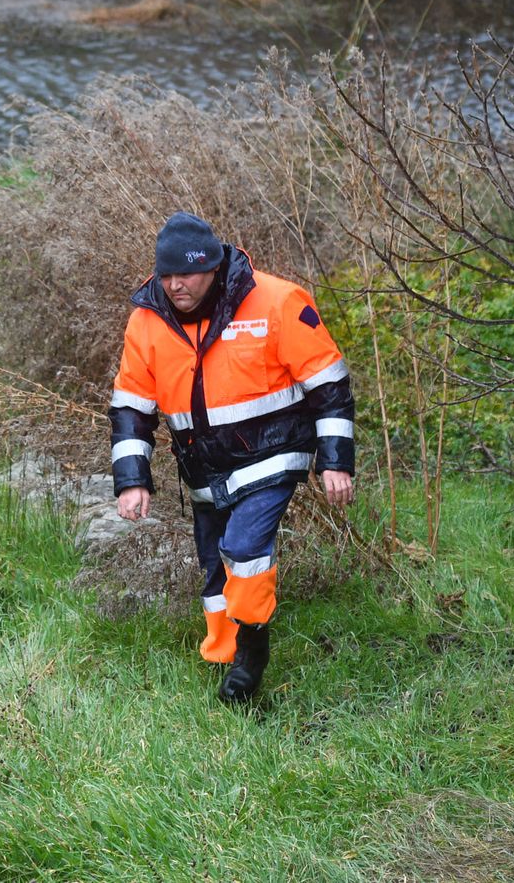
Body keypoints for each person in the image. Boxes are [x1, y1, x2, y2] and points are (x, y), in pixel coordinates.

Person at [109, 211, 356, 704]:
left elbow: (329, 386)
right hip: (204, 469)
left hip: (274, 454)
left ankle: (252, 655)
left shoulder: (278, 301)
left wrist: (335, 460)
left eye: (188, 274)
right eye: (168, 275)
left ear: (215, 266)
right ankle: (224, 654)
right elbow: (131, 406)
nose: (177, 285)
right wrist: (132, 479)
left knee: (244, 548)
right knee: (214, 567)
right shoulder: (146, 320)